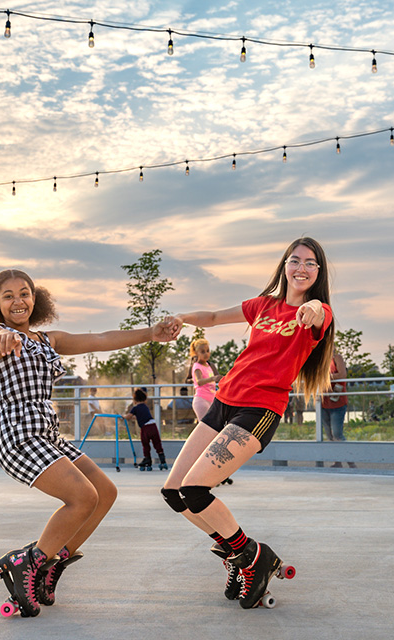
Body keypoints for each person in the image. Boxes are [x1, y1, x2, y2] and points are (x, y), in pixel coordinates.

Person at [0, 268, 174, 618]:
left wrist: (150, 334)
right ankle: (27, 563)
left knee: (105, 493)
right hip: (19, 436)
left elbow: (101, 339)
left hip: (48, 435)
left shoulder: (49, 340)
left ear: (36, 298)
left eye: (24, 293)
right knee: (82, 497)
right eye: (9, 296)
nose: (18, 301)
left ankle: (50, 566)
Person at [160, 237, 334, 610]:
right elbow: (211, 318)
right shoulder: (263, 305)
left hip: (259, 410)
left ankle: (253, 558)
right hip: (223, 401)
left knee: (195, 489)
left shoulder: (319, 312)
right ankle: (240, 556)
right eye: (295, 260)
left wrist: (314, 308)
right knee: (175, 492)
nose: (301, 268)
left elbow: (319, 313)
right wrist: (181, 318)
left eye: (311, 263)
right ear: (284, 265)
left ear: (318, 272)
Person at [125, 387, 167, 471]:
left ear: (135, 399)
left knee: (145, 444)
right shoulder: (145, 406)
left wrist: (122, 417)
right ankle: (163, 461)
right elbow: (142, 416)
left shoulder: (135, 408)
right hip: (153, 425)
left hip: (145, 428)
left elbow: (128, 416)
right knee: (157, 443)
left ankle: (147, 459)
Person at [188, 339, 218, 423]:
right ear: (196, 353)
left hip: (211, 400)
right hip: (202, 400)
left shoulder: (208, 365)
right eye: (203, 352)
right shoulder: (197, 366)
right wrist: (212, 378)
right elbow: (199, 381)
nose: (206, 354)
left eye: (207, 351)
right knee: (207, 426)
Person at [321, 351, 348, 441]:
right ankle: (332, 454)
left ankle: (345, 453)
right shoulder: (321, 360)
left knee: (337, 434)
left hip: (337, 401)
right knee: (329, 435)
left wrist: (325, 377)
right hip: (323, 402)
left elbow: (342, 374)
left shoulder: (337, 358)